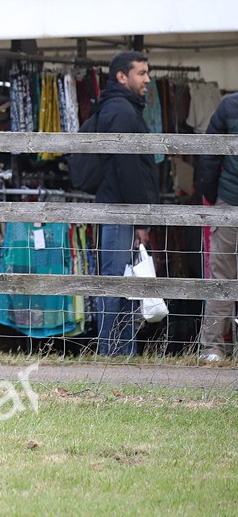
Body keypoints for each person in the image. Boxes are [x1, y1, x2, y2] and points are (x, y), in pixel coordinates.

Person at [92, 50, 158, 357]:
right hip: (120, 209)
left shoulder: (122, 107)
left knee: (122, 282)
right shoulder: (121, 111)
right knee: (117, 282)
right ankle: (113, 354)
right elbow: (127, 168)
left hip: (119, 207)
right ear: (122, 76)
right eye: (141, 73)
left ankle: (120, 352)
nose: (147, 79)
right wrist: (140, 218)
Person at [197, 91, 238, 363]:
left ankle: (213, 348)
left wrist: (211, 196)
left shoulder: (229, 104)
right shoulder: (229, 105)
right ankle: (212, 346)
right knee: (222, 273)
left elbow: (210, 157)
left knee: (221, 274)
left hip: (229, 199)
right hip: (229, 197)